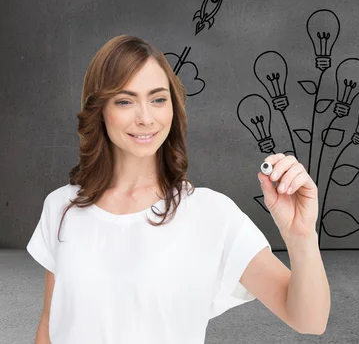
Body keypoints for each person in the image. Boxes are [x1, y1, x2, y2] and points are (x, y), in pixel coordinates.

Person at [26, 35, 330, 344]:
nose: (145, 118)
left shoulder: (211, 214)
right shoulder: (61, 207)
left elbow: (309, 320)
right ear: (100, 109)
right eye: (125, 101)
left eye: (158, 99)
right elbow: (51, 323)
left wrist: (301, 235)